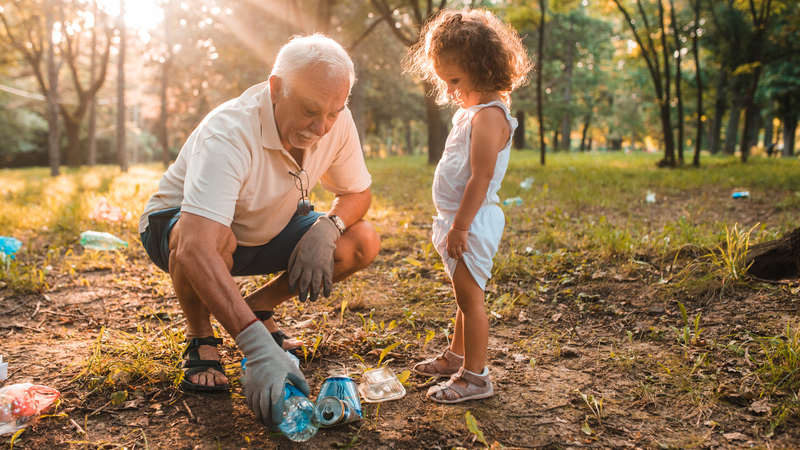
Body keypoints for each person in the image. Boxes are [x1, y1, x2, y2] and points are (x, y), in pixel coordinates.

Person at [138, 34, 380, 430]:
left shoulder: (335, 122)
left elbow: (357, 192)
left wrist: (328, 227)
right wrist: (256, 348)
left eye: (334, 112)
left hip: (266, 226)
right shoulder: (229, 131)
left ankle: (255, 309)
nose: (322, 127)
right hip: (182, 230)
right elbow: (197, 247)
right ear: (276, 88)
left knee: (361, 239)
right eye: (310, 110)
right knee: (203, 239)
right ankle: (201, 337)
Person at [403, 8, 531, 403]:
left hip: (471, 223)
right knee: (463, 295)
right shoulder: (474, 112)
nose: (452, 91)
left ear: (483, 67)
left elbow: (480, 177)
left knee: (471, 301)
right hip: (460, 221)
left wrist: (460, 227)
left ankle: (475, 377)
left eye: (455, 80)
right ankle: (456, 355)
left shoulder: (490, 117)